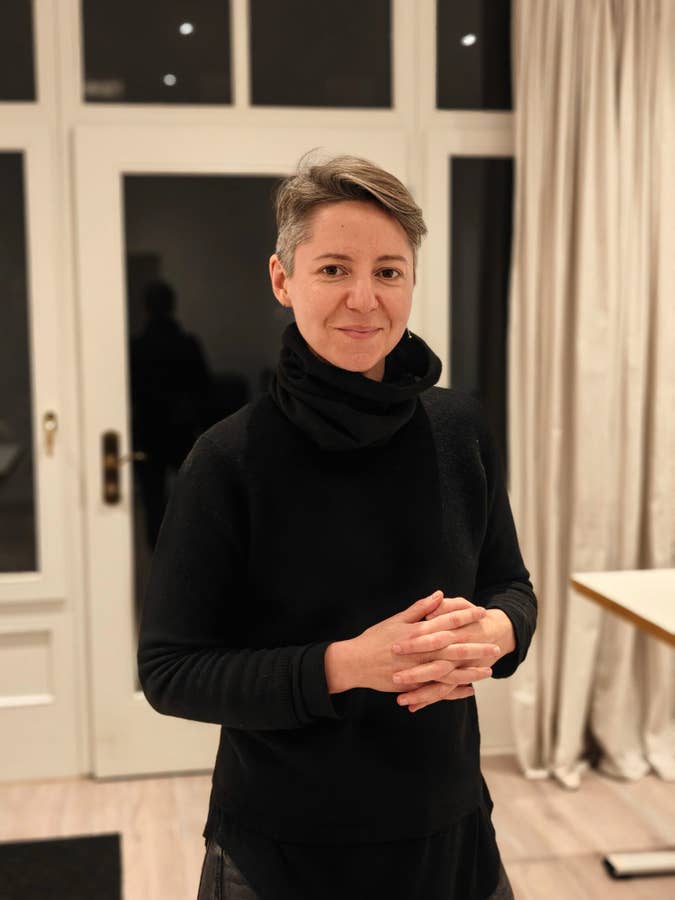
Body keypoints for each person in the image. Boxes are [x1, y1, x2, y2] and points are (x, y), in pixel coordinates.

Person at [137, 154, 537, 900]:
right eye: (333, 270)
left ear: (411, 281)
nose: (364, 298)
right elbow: (170, 672)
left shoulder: (459, 429)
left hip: (450, 831)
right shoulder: (227, 459)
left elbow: (509, 584)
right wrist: (347, 665)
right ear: (282, 279)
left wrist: (498, 631)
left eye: (388, 272)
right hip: (284, 852)